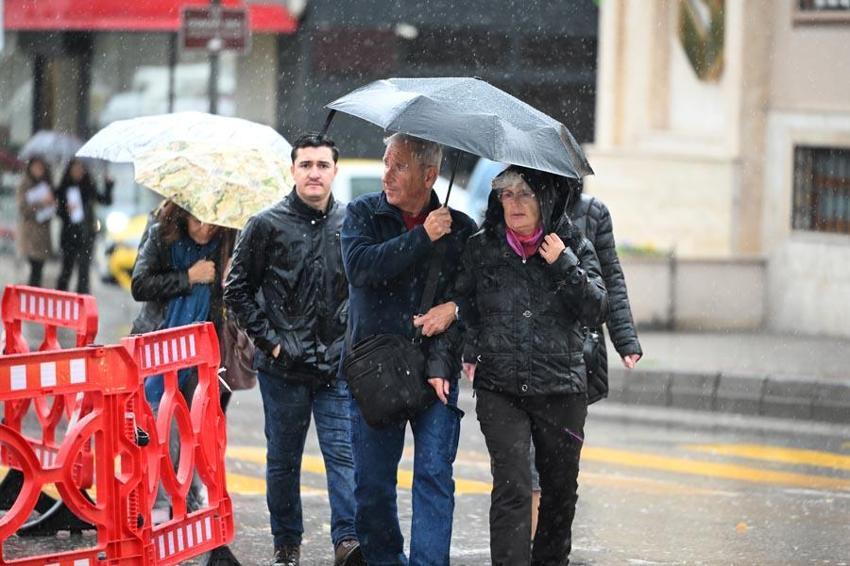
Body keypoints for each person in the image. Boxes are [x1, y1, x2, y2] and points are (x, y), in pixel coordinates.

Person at [445, 166, 607, 565]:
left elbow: (598, 307)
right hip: (501, 386)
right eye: (506, 195)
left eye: (525, 194)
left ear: (545, 199)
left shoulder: (570, 243)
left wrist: (564, 264)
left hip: (562, 388)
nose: (514, 204)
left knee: (559, 490)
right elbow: (465, 303)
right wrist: (473, 347)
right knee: (513, 485)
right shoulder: (483, 247)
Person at [224, 134, 362, 566]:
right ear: (293, 171)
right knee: (284, 460)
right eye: (306, 165)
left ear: (335, 171)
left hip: (336, 367)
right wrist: (272, 343)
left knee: (344, 456)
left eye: (323, 165)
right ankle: (287, 542)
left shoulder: (351, 223)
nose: (314, 173)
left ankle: (347, 541)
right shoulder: (266, 224)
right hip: (283, 369)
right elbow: (236, 289)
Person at [340, 133, 477, 566]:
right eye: (386, 163)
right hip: (375, 369)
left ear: (429, 175)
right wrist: (421, 239)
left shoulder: (462, 229)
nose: (387, 174)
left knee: (435, 475)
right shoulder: (363, 213)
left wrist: (455, 308)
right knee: (373, 484)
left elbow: (477, 296)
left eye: (398, 166)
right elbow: (361, 269)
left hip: (435, 368)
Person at [529, 178, 643, 537]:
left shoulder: (591, 213)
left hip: (574, 355)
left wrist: (625, 340)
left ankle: (547, 544)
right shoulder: (513, 208)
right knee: (528, 460)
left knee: (558, 462)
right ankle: (531, 544)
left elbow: (609, 279)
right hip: (525, 354)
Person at [130, 199, 237, 515]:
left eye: (212, 222)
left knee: (198, 425)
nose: (205, 229)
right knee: (162, 422)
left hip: (205, 348)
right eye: (197, 221)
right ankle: (161, 501)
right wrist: (187, 277)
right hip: (160, 344)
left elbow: (241, 293)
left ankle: (190, 497)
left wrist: (231, 277)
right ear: (182, 214)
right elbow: (140, 284)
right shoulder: (161, 235)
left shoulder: (229, 240)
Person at [54, 158, 113, 294]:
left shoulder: (88, 187)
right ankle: (61, 298)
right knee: (66, 270)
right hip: (69, 235)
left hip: (86, 235)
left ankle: (82, 301)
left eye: (81, 169)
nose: (78, 172)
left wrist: (108, 185)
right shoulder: (63, 188)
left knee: (84, 272)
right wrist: (65, 208)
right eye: (75, 169)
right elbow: (57, 212)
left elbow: (105, 200)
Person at [16, 156, 55, 287]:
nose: (39, 170)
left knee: (38, 271)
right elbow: (23, 208)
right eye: (37, 167)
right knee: (32, 270)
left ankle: (34, 297)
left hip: (43, 234)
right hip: (30, 234)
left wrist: (52, 204)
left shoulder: (47, 184)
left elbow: (53, 209)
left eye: (41, 168)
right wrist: (40, 203)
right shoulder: (25, 184)